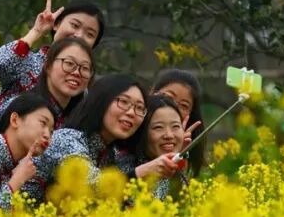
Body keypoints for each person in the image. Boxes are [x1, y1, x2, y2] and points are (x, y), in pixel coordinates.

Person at [22, 74, 179, 203]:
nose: (131, 113)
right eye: (124, 102)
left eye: (139, 108)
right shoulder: (66, 139)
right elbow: (92, 185)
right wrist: (145, 171)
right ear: (102, 101)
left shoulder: (110, 155)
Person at [0, 0, 104, 131]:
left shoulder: (82, 90)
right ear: (57, 24)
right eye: (75, 25)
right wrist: (36, 32)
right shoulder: (27, 61)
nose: (79, 35)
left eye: (90, 34)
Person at [0, 37, 94, 134]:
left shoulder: (81, 121)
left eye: (85, 68)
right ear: (48, 66)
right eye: (69, 63)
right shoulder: (22, 107)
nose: (76, 72)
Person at [151, 69, 205, 178]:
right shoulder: (126, 135)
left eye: (184, 105)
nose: (173, 106)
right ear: (151, 93)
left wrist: (177, 153)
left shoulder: (184, 152)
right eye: (169, 97)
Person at [132, 95, 188, 199]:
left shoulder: (179, 176)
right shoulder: (126, 171)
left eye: (176, 126)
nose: (169, 135)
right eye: (158, 127)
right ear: (141, 132)